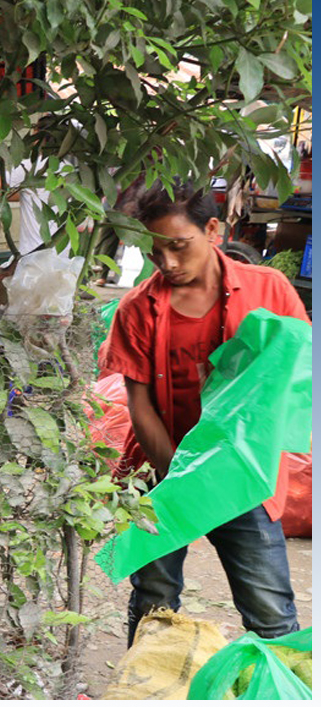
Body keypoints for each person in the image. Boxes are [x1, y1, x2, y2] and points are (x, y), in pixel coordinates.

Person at [100, 182, 307, 647]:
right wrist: (184, 479)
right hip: (163, 473)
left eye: (179, 246)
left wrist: (218, 478)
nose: (168, 263)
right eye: (156, 252)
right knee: (154, 601)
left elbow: (294, 373)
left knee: (270, 612)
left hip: (242, 477)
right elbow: (140, 405)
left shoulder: (267, 289)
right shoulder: (136, 308)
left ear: (212, 229)